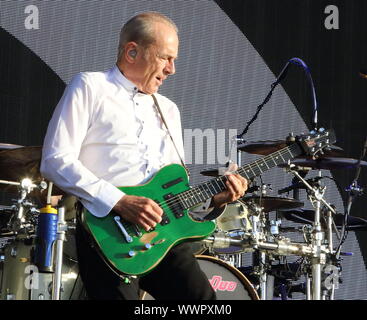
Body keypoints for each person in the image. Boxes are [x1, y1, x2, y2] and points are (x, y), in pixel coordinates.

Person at [40, 11, 248, 300]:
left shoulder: (169, 109)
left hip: (164, 239)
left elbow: (174, 191)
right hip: (108, 234)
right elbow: (55, 160)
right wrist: (121, 201)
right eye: (165, 58)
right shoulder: (90, 86)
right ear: (132, 51)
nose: (172, 69)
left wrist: (216, 200)